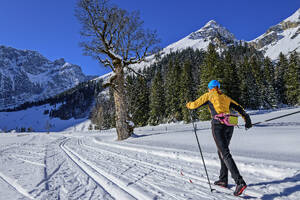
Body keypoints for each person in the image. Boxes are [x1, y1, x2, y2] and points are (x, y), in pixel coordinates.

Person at [186, 80, 252, 196]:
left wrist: (188, 104)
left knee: (225, 153)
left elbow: (194, 105)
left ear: (210, 88)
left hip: (218, 126)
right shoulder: (225, 97)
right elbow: (239, 108)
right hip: (229, 126)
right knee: (222, 152)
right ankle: (223, 179)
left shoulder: (209, 95)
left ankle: (239, 182)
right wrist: (247, 120)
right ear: (218, 87)